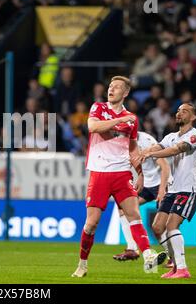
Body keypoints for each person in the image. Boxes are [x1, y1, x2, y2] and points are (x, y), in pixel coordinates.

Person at [71, 76, 166, 278]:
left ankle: (148, 255)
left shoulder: (132, 118)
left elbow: (132, 149)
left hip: (122, 173)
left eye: (117, 87)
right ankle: (82, 264)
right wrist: (121, 120)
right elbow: (93, 127)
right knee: (91, 224)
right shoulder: (98, 108)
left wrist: (139, 173)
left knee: (133, 215)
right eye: (110, 86)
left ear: (125, 93)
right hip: (99, 173)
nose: (111, 89)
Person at [138, 103, 196, 279]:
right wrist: (144, 152)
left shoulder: (195, 136)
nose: (179, 113)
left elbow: (175, 150)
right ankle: (174, 266)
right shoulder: (171, 136)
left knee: (172, 225)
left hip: (188, 189)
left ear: (194, 117)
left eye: (185, 111)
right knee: (157, 227)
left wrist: (151, 155)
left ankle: (183, 269)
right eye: (178, 110)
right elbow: (158, 147)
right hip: (174, 188)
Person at [113, 131, 170, 261]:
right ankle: (132, 248)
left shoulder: (148, 142)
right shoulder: (121, 142)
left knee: (161, 225)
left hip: (160, 184)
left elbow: (165, 167)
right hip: (145, 184)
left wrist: (162, 190)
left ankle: (173, 257)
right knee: (122, 208)